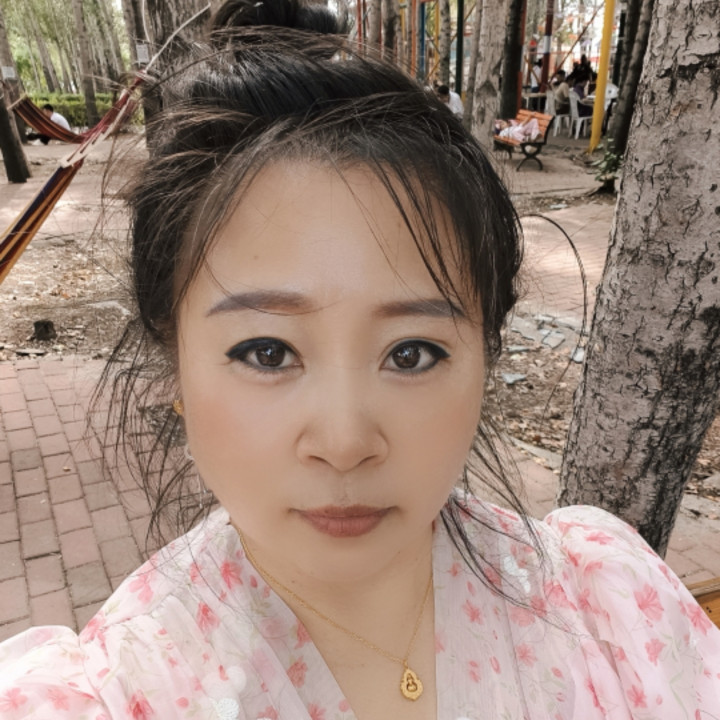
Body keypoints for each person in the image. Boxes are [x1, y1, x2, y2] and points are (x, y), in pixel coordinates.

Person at [1, 0, 719, 717]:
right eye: (268, 351)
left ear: (486, 354)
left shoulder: (614, 616)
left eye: (411, 353)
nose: (345, 443)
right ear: (174, 360)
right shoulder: (105, 697)